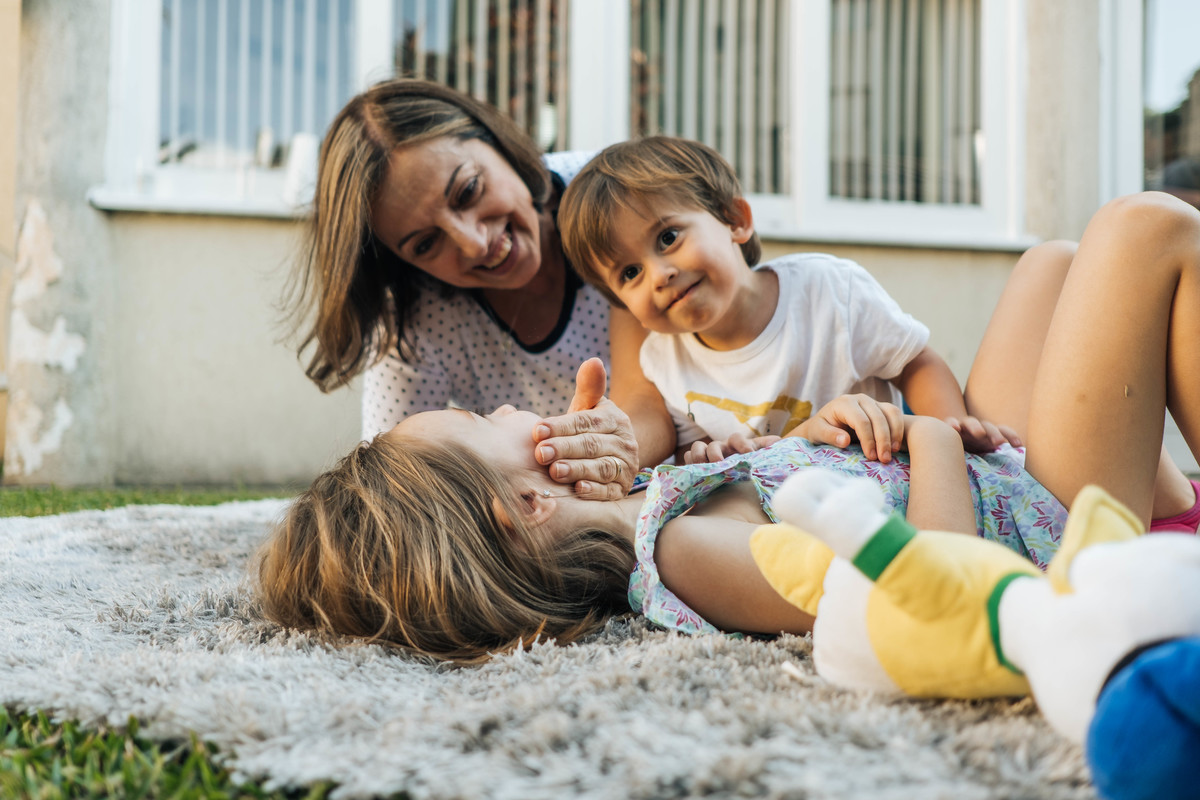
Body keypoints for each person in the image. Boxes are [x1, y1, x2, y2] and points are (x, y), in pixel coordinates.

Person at [258, 191, 1200, 663]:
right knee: (1142, 231)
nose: (511, 404)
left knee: (1052, 263)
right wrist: (926, 436)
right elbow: (937, 599)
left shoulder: (667, 509)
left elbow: (822, 505)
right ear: (524, 505)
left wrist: (822, 434)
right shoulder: (683, 556)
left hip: (1011, 478)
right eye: (479, 421)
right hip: (1048, 533)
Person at [287, 78, 676, 499]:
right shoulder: (413, 323)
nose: (473, 242)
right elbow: (393, 489)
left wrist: (599, 451)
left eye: (468, 190)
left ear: (496, 141)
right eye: (425, 243)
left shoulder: (617, 196)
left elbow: (664, 392)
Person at [556, 136, 1014, 466]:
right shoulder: (663, 361)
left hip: (882, 472)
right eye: (630, 273)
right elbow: (689, 446)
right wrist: (700, 456)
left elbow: (915, 362)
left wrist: (949, 431)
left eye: (668, 237)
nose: (660, 274)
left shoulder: (829, 291)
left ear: (735, 220)